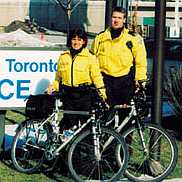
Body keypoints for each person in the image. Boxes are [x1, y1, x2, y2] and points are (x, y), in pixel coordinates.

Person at [47, 28, 106, 133]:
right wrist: (53, 86)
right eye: (74, 39)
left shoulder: (90, 57)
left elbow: (96, 77)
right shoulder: (64, 57)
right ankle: (66, 148)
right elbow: (58, 77)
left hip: (84, 95)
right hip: (68, 95)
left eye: (79, 39)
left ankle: (84, 149)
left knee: (86, 127)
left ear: (84, 41)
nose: (76, 42)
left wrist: (103, 93)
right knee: (69, 124)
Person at [91, 7, 147, 111]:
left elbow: (141, 62)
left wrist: (140, 82)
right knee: (106, 115)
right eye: (114, 17)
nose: (116, 20)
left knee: (124, 116)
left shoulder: (133, 38)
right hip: (105, 81)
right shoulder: (100, 38)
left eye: (119, 18)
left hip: (125, 82)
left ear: (124, 20)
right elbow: (92, 60)